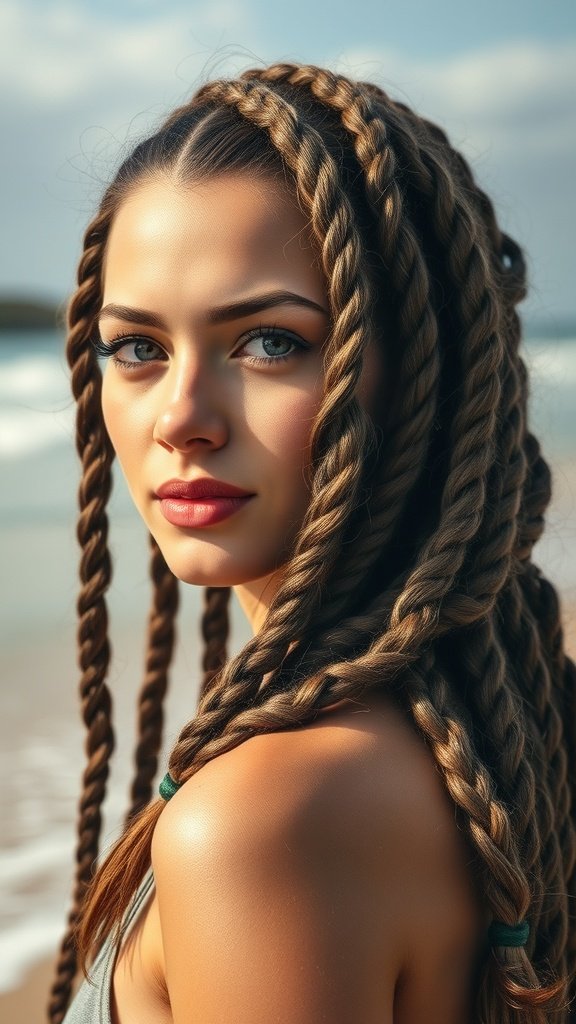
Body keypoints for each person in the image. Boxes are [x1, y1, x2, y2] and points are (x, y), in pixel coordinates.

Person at [47, 63, 575, 1024]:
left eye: (270, 342)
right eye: (138, 349)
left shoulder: (260, 829)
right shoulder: (526, 705)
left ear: (422, 376)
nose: (183, 418)